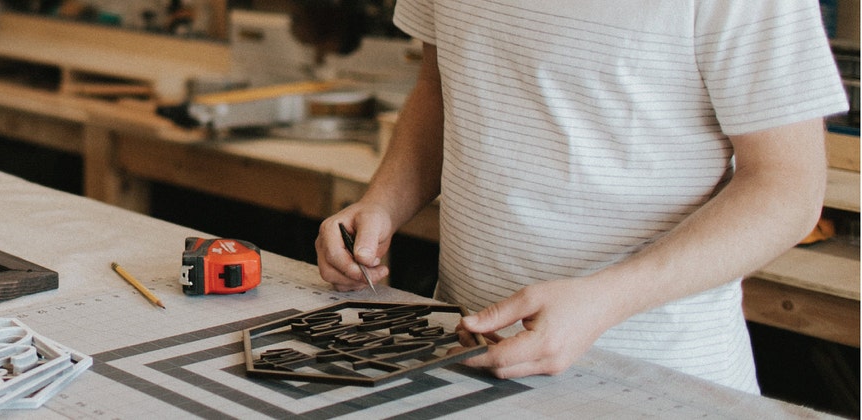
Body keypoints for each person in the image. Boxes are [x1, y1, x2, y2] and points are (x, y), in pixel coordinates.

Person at [316, 0, 848, 393]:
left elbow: (788, 187)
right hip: (465, 361)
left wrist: (604, 299)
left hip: (654, 382)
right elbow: (440, 87)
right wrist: (383, 203)